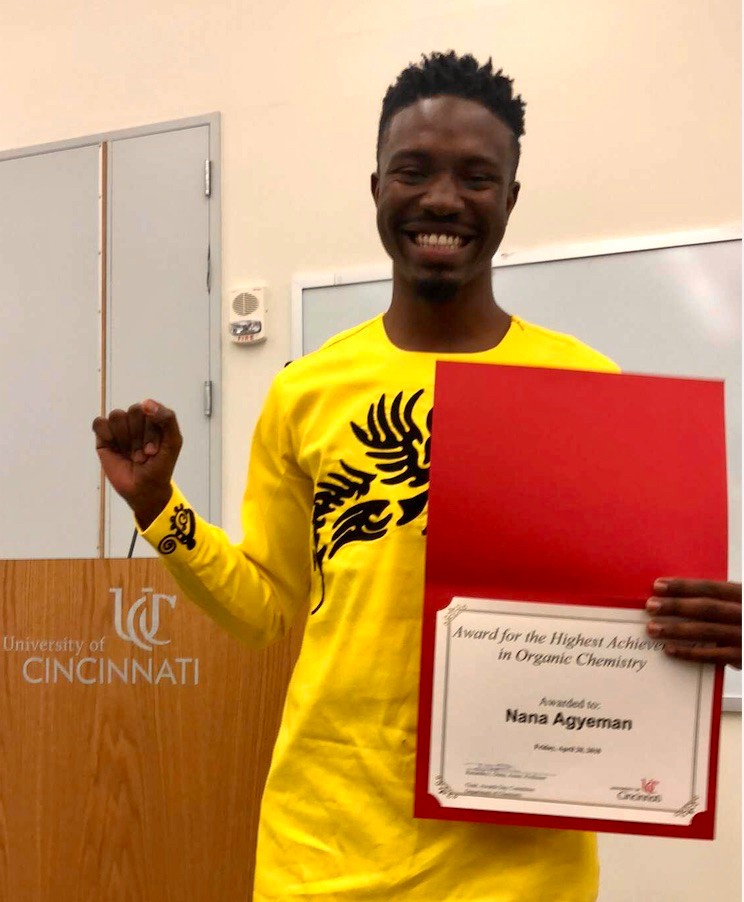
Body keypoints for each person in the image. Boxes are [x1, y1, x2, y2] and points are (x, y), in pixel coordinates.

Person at [92, 51, 741, 901]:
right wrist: (160, 510)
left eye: (477, 176)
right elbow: (265, 613)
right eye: (414, 171)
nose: (442, 199)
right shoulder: (305, 390)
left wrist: (701, 630)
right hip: (322, 849)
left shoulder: (588, 388)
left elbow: (622, 628)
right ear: (375, 189)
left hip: (518, 866)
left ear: (510, 200)